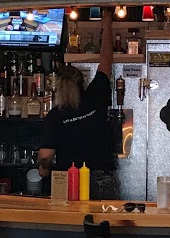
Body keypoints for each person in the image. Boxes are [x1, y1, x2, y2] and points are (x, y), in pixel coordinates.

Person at [38, 13, 119, 198]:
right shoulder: (96, 95)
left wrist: (43, 170)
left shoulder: (55, 116)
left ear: (57, 87)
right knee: (104, 226)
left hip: (69, 179)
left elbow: (46, 156)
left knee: (71, 226)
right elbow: (106, 58)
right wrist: (107, 23)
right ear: (82, 82)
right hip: (101, 179)